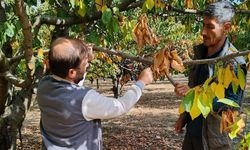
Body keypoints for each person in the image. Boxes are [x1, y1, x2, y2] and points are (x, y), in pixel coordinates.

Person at [37, 37, 153, 150]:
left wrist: (84, 58)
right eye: (85, 64)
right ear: (71, 72)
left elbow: (72, 86)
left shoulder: (44, 86)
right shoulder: (85, 100)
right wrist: (141, 83)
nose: (87, 65)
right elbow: (120, 106)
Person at [174, 1, 246, 150]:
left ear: (226, 28)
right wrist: (184, 117)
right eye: (204, 25)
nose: (203, 32)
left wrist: (193, 94)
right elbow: (194, 87)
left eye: (210, 26)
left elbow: (231, 106)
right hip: (192, 136)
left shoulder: (234, 62)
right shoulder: (201, 54)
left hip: (213, 142)